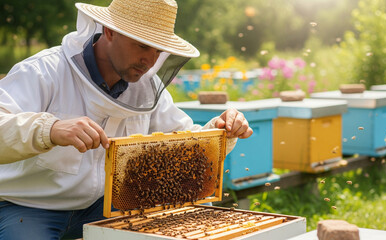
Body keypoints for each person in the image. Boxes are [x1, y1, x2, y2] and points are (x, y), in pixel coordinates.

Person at [0, 0, 253, 239]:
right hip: (28, 205)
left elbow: (183, 141)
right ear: (110, 31)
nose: (150, 60)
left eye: (158, 50)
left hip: (105, 205)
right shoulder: (44, 70)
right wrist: (50, 129)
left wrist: (220, 130)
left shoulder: (145, 85)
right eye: (143, 46)